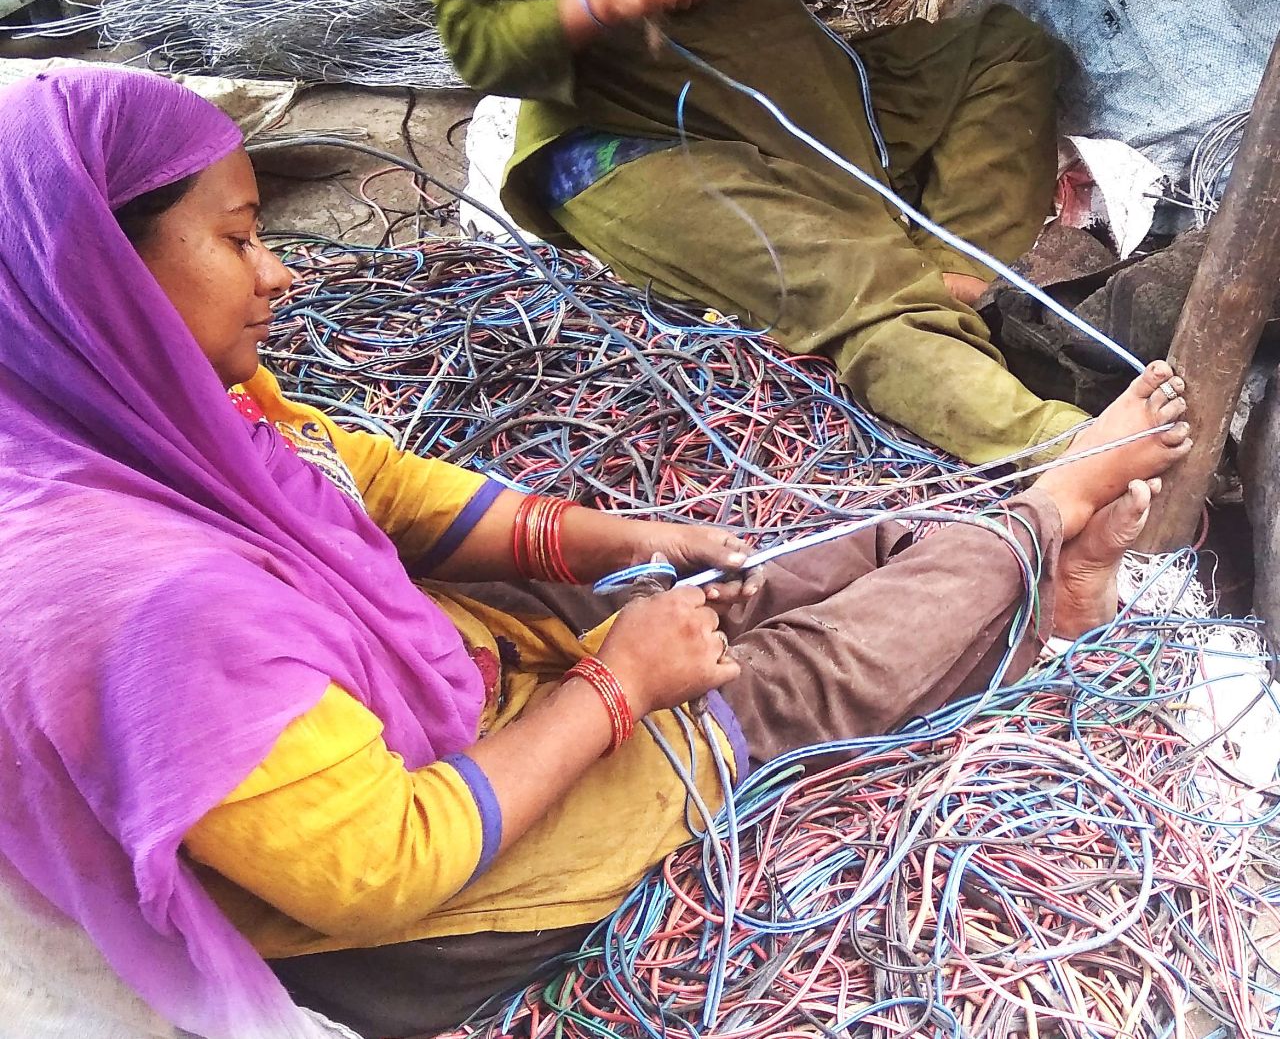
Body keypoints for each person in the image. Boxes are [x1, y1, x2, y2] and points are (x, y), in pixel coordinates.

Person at [0, 68, 1191, 1039]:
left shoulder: (127, 412)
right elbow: (378, 867)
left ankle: (1026, 589)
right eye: (241, 238)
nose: (281, 271)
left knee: (729, 585)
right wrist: (617, 689)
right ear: (95, 271)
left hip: (402, 694)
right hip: (406, 923)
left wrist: (615, 541)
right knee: (771, 691)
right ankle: (1039, 521)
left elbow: (376, 486)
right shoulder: (151, 608)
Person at [431, 0, 1094, 466]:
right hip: (638, 139)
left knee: (1004, 49)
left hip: (802, 91)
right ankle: (1065, 448)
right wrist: (601, 1)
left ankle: (947, 283)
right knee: (852, 281)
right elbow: (475, 42)